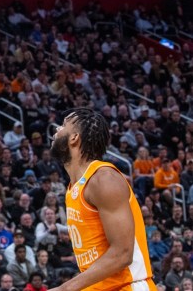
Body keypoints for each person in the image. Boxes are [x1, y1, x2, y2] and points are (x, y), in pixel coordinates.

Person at [48, 108, 155, 291]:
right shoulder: (74, 188)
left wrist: (64, 288)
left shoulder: (103, 178)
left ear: (74, 138)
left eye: (64, 125)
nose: (57, 130)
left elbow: (122, 253)